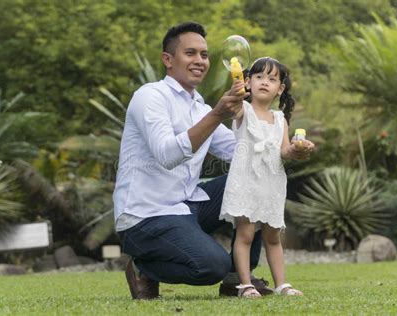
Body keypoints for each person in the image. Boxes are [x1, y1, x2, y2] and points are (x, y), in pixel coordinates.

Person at [113, 22, 276, 300]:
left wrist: (281, 144)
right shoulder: (150, 97)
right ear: (168, 59)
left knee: (255, 177)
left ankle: (238, 278)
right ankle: (143, 269)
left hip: (187, 205)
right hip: (145, 217)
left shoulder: (198, 106)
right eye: (190, 53)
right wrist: (216, 114)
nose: (200, 60)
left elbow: (242, 151)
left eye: (204, 54)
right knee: (211, 267)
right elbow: (166, 155)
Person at [219, 57, 314, 298]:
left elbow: (283, 151)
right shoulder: (243, 111)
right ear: (249, 82)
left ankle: (281, 284)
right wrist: (236, 88)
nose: (265, 82)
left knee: (273, 236)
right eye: (259, 77)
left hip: (271, 183)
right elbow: (233, 104)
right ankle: (245, 285)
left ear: (280, 89)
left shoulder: (280, 119)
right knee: (245, 234)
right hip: (246, 181)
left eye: (272, 79)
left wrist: (296, 149)